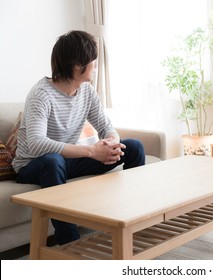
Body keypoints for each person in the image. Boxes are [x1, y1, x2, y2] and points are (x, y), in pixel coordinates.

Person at [12, 30, 145, 245]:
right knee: (53, 161)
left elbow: (107, 126)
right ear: (77, 65)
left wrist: (110, 142)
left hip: (68, 161)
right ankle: (71, 244)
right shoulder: (41, 94)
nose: (95, 65)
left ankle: (133, 224)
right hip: (34, 165)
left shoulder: (87, 91)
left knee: (133, 147)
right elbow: (36, 144)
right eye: (93, 61)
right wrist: (92, 151)